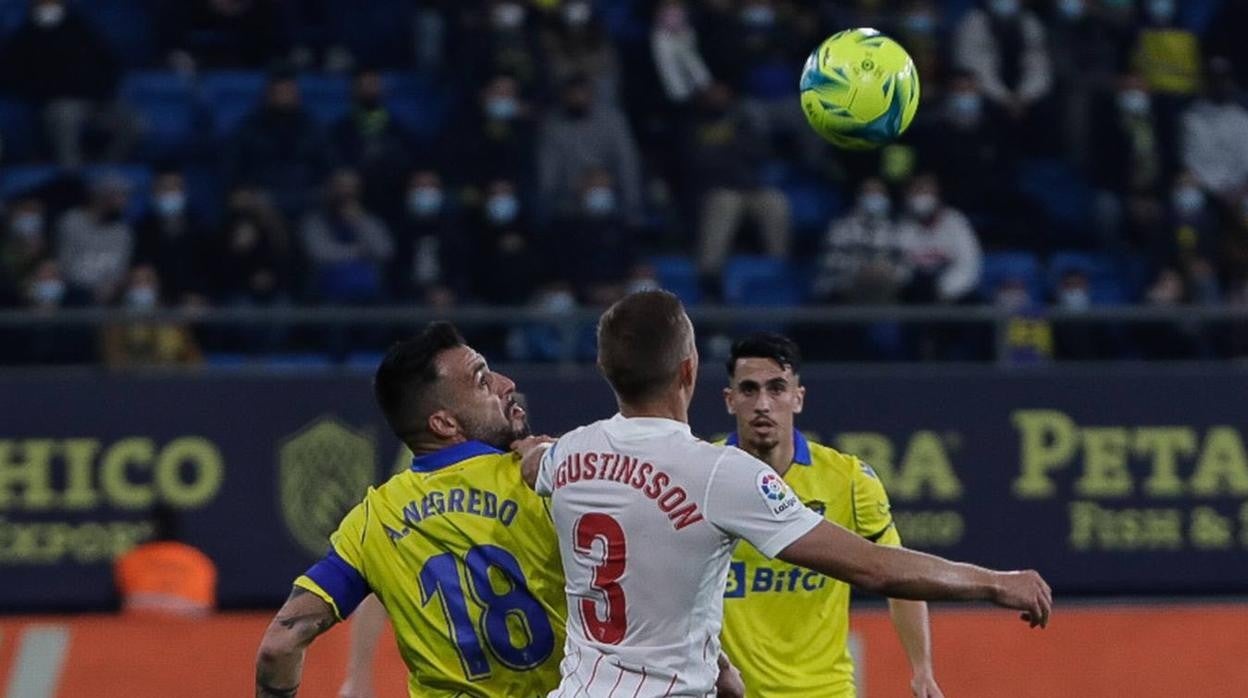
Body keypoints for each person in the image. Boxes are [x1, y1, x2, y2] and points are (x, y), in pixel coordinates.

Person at [519, 290, 1050, 696]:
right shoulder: (719, 473)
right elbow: (875, 568)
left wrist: (522, 443)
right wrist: (997, 583)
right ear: (690, 370)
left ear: (604, 369)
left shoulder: (568, 455)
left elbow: (531, 463)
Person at [255, 323, 568, 697]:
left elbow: (279, 646)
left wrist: (357, 680)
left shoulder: (374, 519)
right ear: (444, 423)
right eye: (482, 381)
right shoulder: (548, 477)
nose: (507, 383)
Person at [717, 333, 941, 697]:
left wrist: (922, 668)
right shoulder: (703, 475)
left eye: (776, 389)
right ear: (730, 400)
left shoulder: (849, 481)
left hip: (824, 691)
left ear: (797, 398)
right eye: (749, 390)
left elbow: (899, 575)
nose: (763, 404)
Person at [114, 504, 217, 617]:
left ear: (152, 530)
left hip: (141, 626)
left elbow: (115, 603)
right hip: (189, 627)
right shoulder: (199, 562)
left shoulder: (132, 558)